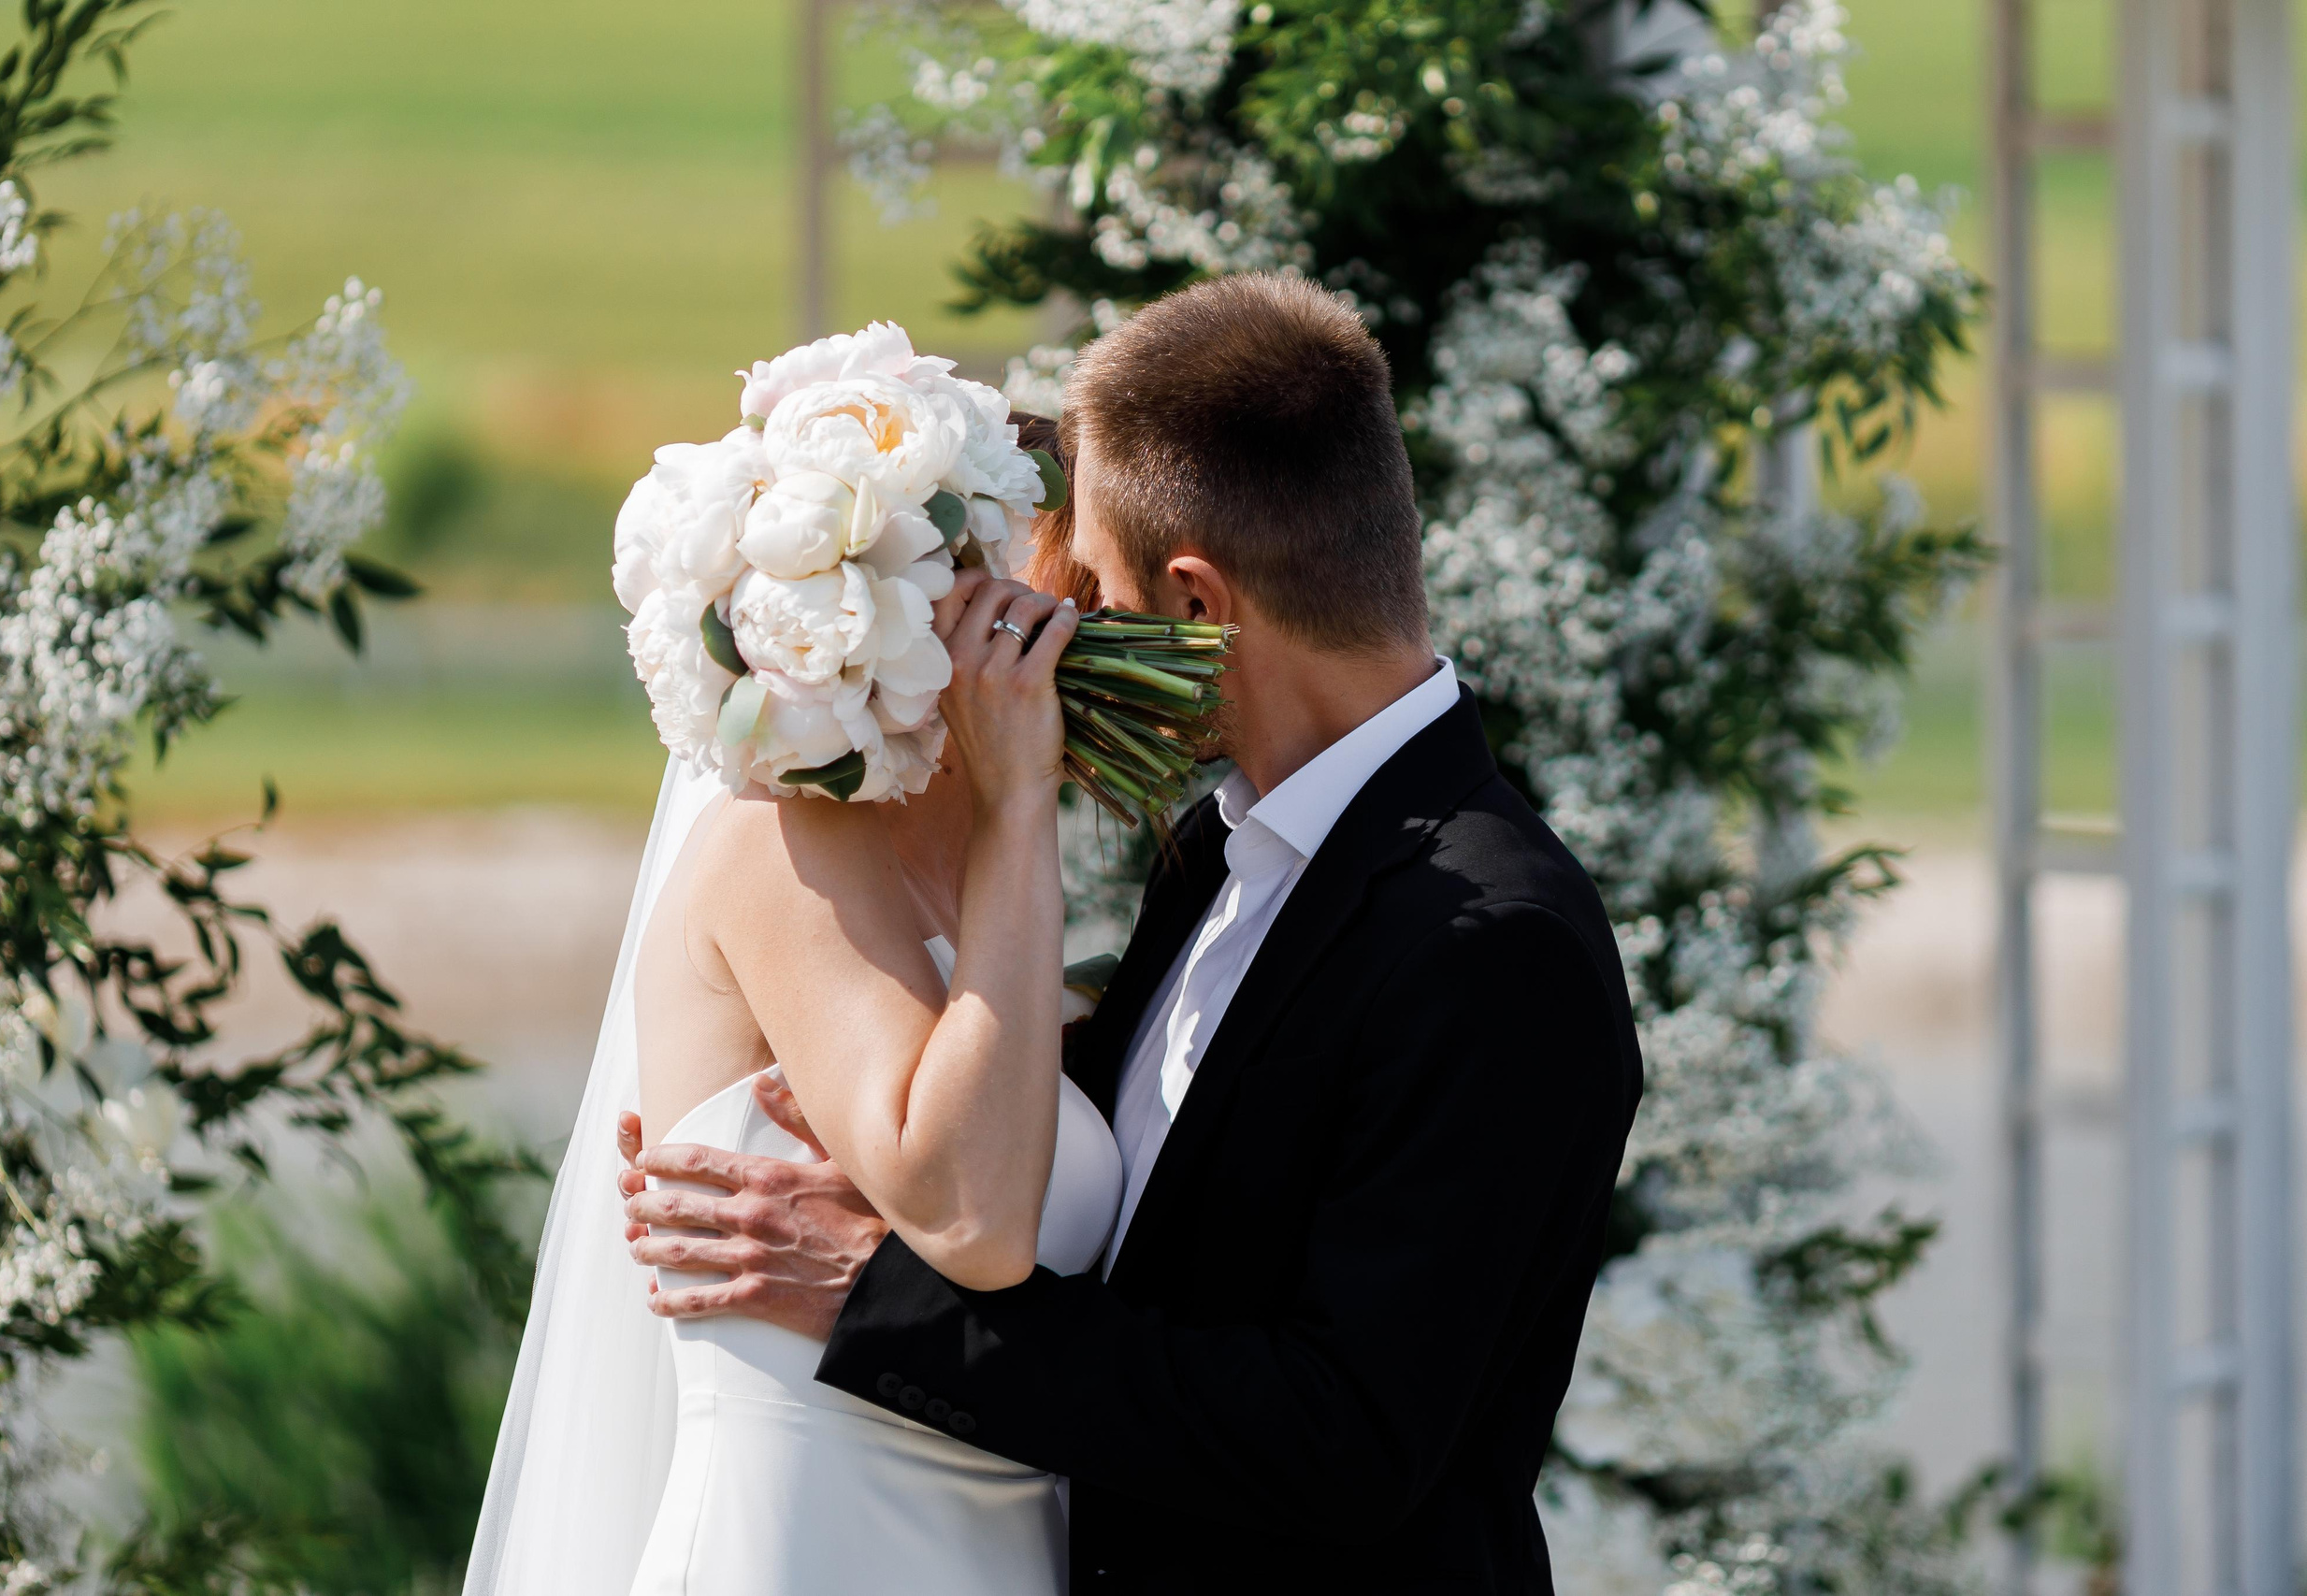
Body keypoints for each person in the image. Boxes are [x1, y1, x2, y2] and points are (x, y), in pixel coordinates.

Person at [618, 273, 1647, 1595]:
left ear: (1198, 606)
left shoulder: (1495, 943)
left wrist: (878, 1295)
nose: (1072, 636)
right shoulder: (1219, 849)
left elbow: (1346, 1442)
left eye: (1094, 593)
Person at [464, 397, 1125, 1592]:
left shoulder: (990, 892)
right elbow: (972, 1219)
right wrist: (1023, 798)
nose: (1085, 637)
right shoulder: (783, 848)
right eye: (1060, 599)